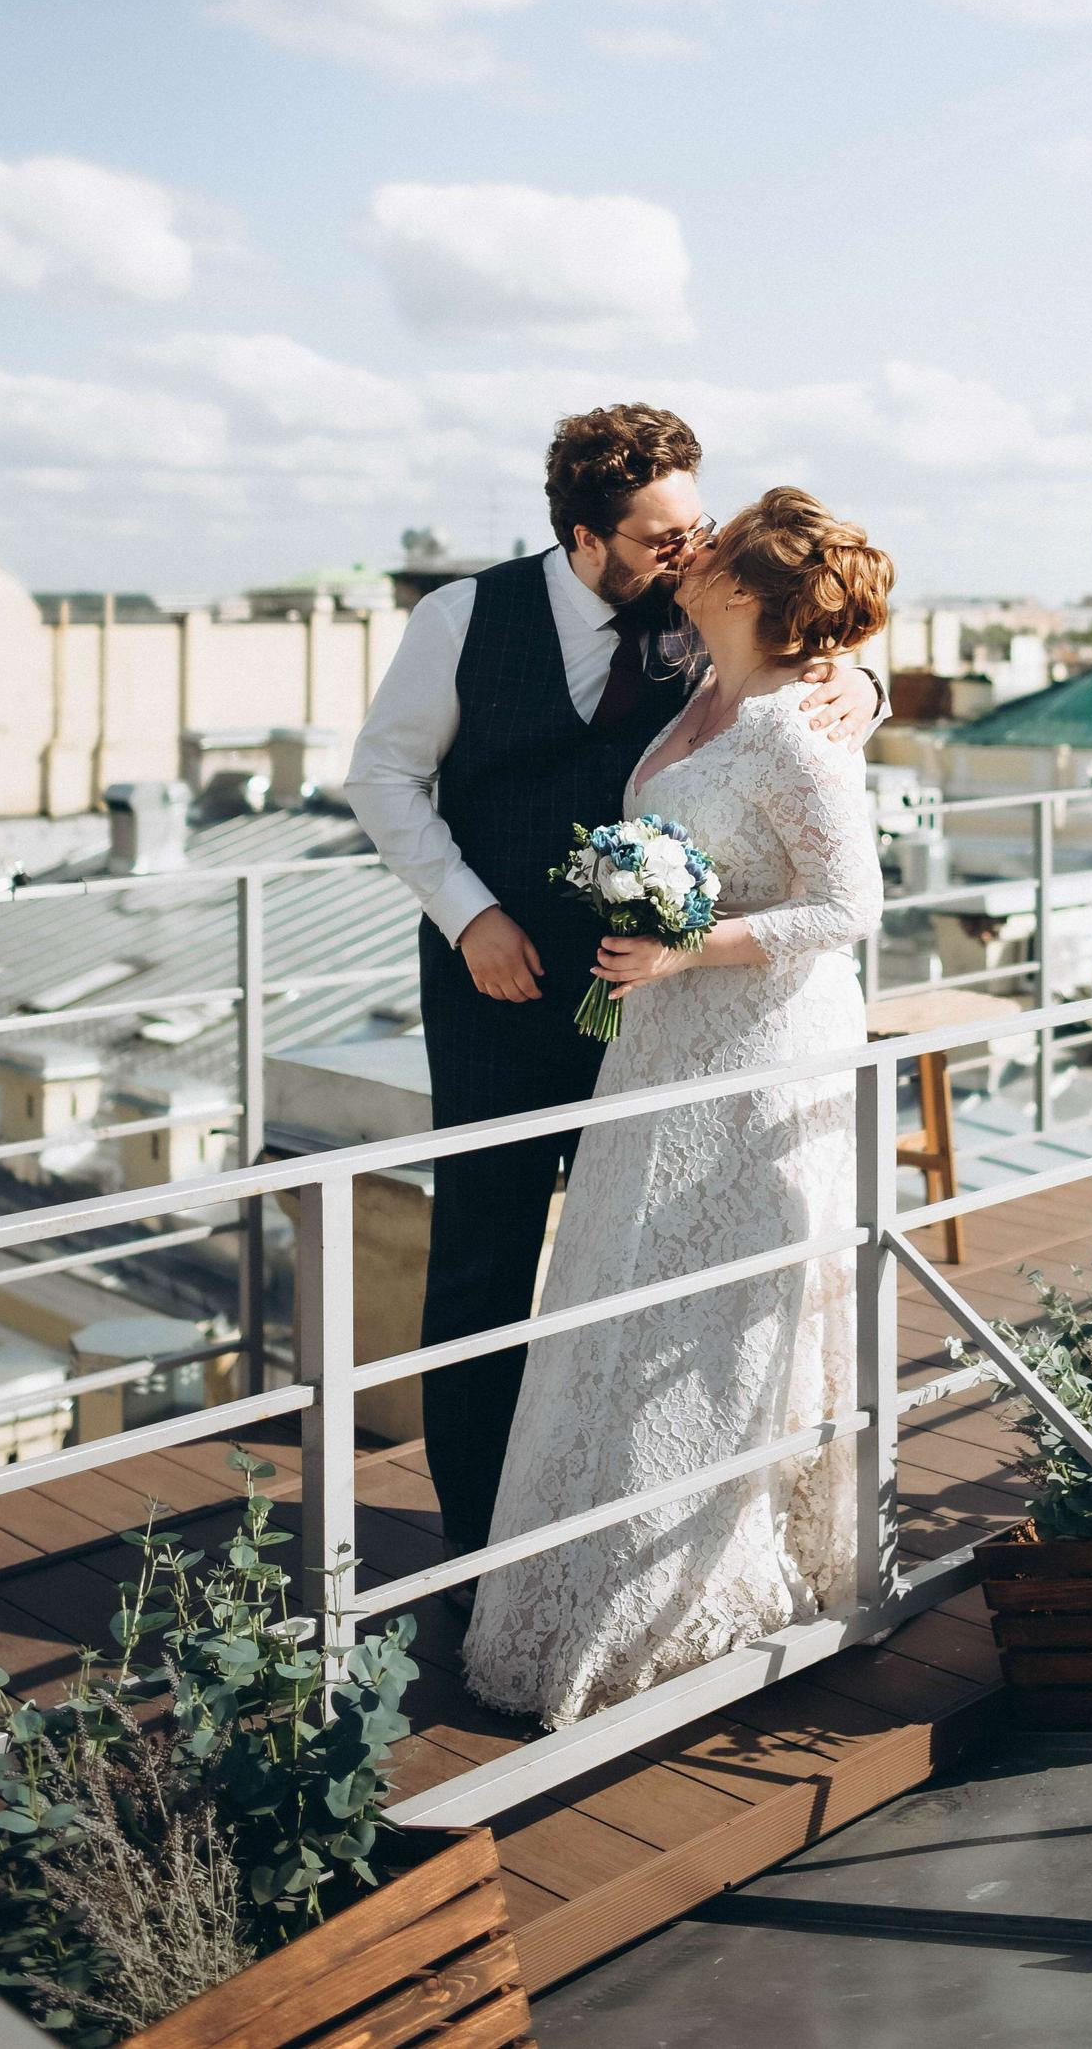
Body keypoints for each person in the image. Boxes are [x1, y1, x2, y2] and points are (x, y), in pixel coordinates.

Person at [342, 409, 884, 1576]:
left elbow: (799, 673)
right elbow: (381, 773)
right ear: (587, 535)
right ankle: (479, 1537)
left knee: (635, 1265)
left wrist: (866, 686)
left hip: (664, 1012)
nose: (691, 552)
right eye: (661, 536)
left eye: (697, 526)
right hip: (493, 985)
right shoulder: (459, 617)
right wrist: (469, 913)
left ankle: (612, 1527)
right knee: (482, 1256)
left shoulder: (703, 616)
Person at [461, 487, 892, 1728]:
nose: (689, 556)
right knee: (620, 1279)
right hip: (657, 1044)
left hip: (752, 1040)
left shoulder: (794, 727)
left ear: (752, 596)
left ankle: (702, 1582)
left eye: (715, 549)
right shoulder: (691, 674)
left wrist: (686, 943)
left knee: (719, 1308)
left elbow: (847, 905)